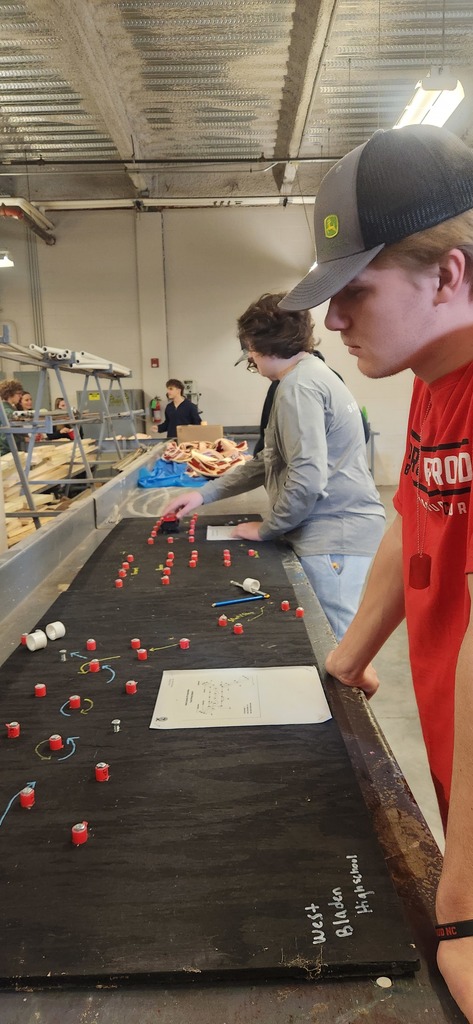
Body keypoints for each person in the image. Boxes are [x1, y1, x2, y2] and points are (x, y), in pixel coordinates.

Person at [278, 124, 473, 1022]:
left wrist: (466, 904)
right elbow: (413, 520)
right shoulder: (436, 380)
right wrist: (349, 655)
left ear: (449, 273)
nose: (333, 321)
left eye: (355, 292)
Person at [163, 293, 385, 640]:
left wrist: (268, 529)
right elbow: (269, 460)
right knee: (332, 640)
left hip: (334, 531)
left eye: (249, 351)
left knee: (334, 642)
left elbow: (308, 478)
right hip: (336, 527)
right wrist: (203, 495)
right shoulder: (306, 377)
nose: (251, 358)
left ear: (256, 344)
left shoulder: (299, 387)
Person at [0, 378, 24, 455]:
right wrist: (23, 438)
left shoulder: (8, 409)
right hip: (7, 453)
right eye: (19, 393)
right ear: (10, 394)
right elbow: (5, 438)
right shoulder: (8, 412)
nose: (20, 396)